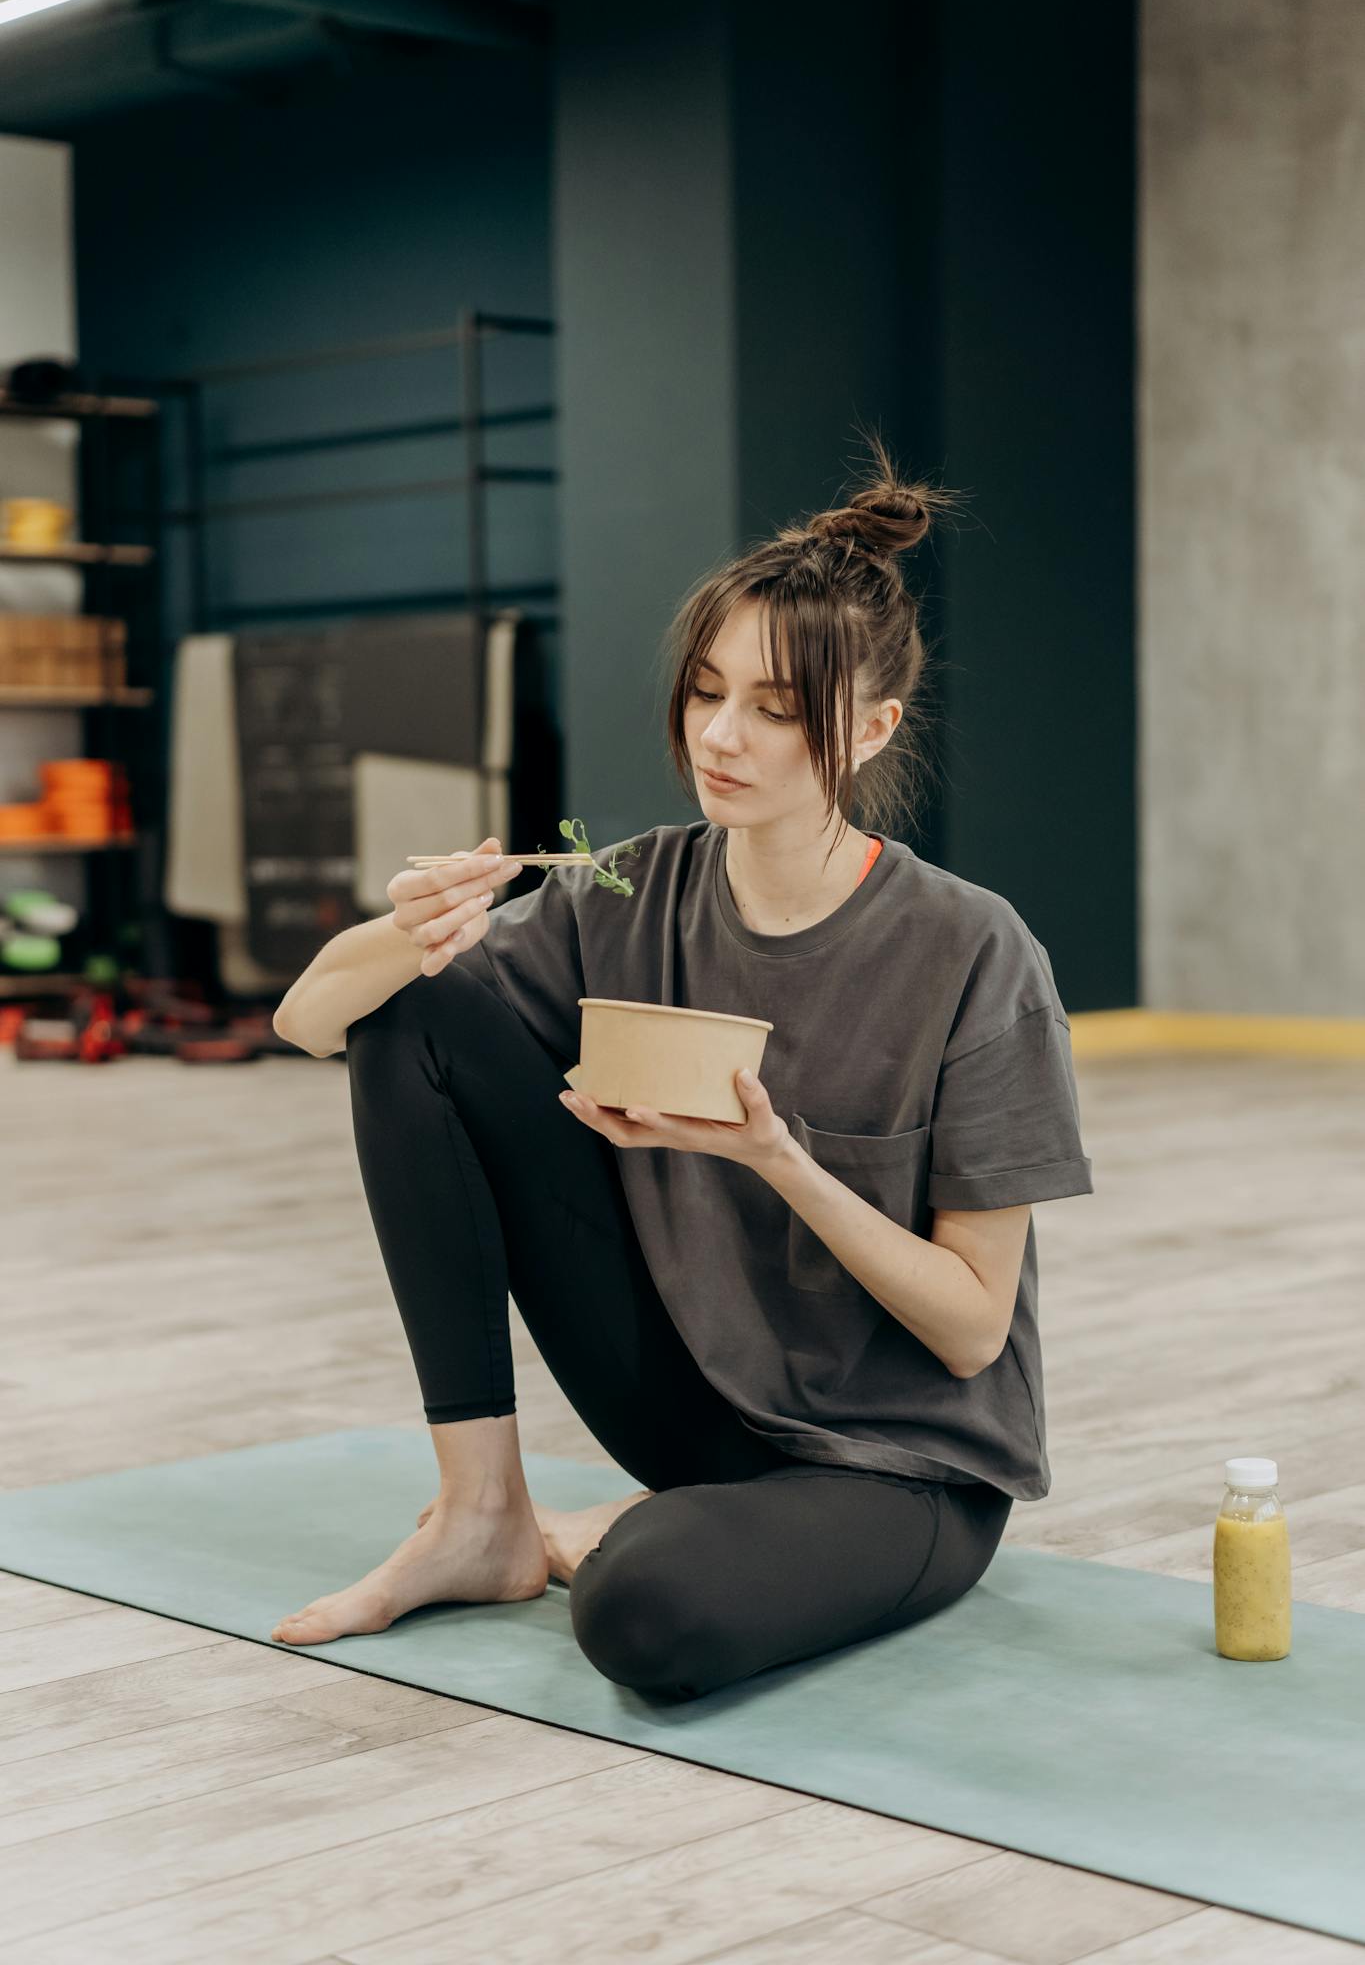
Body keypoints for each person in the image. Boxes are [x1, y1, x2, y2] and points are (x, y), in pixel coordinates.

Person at [269, 429, 1094, 1703]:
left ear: (870, 728)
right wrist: (402, 923)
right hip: (689, 1401)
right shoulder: (634, 887)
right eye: (708, 690)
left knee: (647, 1614)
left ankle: (622, 1540)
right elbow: (317, 1023)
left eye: (774, 710)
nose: (721, 735)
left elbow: (974, 1326)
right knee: (410, 1009)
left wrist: (780, 1159)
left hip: (896, 1465)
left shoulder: (974, 950)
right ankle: (480, 1511)